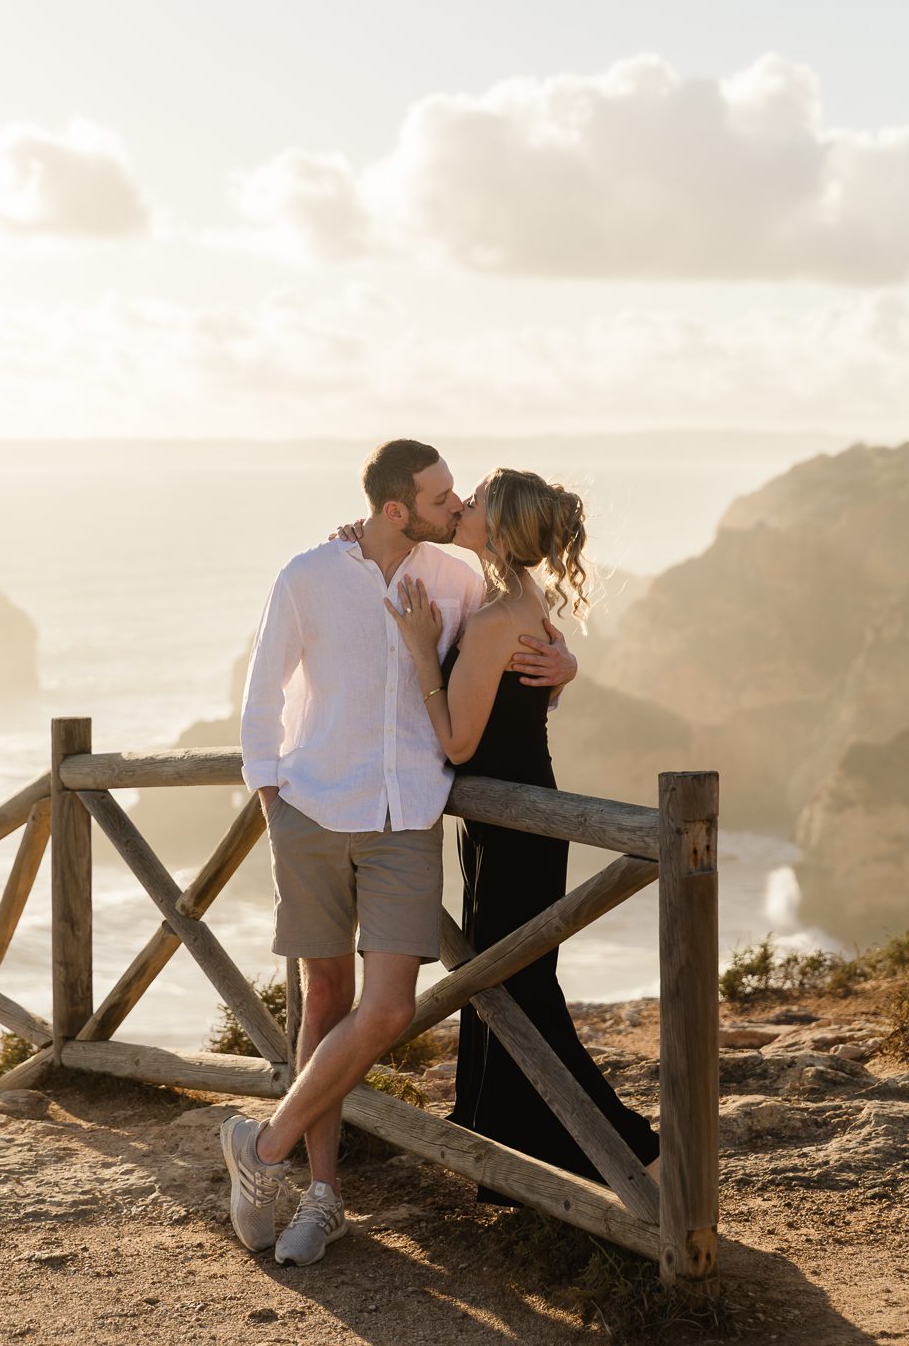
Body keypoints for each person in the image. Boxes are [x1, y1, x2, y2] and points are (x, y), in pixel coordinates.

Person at [228, 440, 576, 1268]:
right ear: (395, 509)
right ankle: (320, 1195)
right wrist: (269, 788)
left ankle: (259, 1145)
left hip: (407, 817)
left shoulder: (458, 578)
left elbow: (530, 640)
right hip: (312, 808)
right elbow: (264, 687)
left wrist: (568, 664)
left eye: (461, 496)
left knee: (386, 1010)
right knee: (323, 1002)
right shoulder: (308, 575)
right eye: (441, 497)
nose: (456, 507)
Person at [383, 467, 659, 1198]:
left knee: (513, 991)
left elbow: (460, 744)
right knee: (504, 984)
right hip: (513, 816)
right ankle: (501, 1149)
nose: (465, 506)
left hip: (514, 822)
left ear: (499, 531)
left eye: (475, 502)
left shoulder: (494, 616)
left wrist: (419, 645)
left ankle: (624, 1151)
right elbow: (522, 707)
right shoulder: (515, 600)